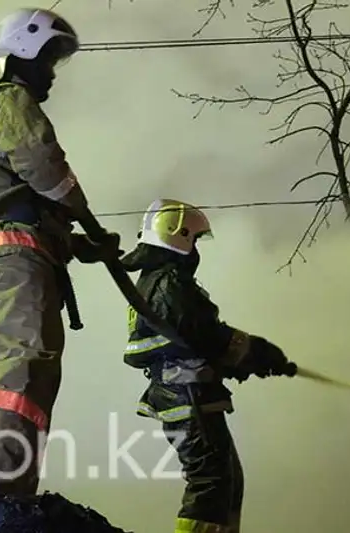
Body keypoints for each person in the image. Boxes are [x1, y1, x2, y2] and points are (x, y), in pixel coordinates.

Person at [0, 7, 120, 494]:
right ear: (23, 47)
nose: (50, 73)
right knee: (26, 367)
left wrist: (83, 244)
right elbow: (42, 164)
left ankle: (6, 487)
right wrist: (78, 207)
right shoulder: (4, 97)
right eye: (47, 58)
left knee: (14, 378)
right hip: (14, 255)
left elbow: (23, 195)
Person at [120, 199, 296, 532]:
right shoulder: (169, 283)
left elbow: (190, 339)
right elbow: (204, 335)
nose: (197, 249)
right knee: (210, 483)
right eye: (196, 240)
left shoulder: (156, 281)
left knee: (226, 479)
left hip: (187, 393)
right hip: (186, 396)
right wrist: (256, 352)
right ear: (180, 236)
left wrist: (247, 360)